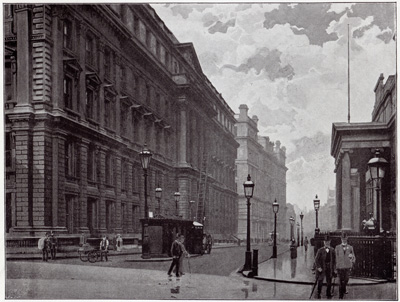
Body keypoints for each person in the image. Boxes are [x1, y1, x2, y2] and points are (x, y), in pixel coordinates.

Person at [335, 232, 355, 299]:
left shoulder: (350, 247)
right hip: (339, 267)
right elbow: (335, 257)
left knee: (346, 279)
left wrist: (352, 260)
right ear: (341, 239)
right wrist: (336, 266)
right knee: (340, 282)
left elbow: (353, 257)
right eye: (342, 239)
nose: (344, 240)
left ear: (347, 238)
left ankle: (344, 288)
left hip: (347, 267)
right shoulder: (337, 247)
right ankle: (340, 297)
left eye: (345, 238)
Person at [314, 235, 336, 299]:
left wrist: (334, 269)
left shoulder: (332, 250)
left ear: (330, 242)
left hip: (330, 267)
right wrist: (318, 267)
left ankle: (328, 293)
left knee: (329, 281)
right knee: (320, 280)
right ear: (324, 242)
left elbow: (334, 260)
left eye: (328, 241)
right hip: (322, 268)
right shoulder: (320, 250)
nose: (327, 243)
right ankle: (319, 293)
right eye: (325, 242)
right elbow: (316, 260)